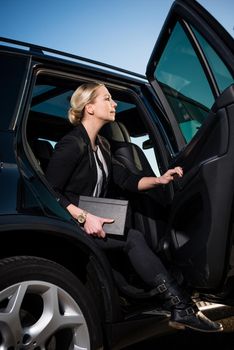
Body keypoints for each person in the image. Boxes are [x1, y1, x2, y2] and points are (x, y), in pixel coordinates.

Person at [46, 82, 223, 333]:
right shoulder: (71, 144)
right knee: (133, 238)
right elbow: (49, 191)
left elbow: (127, 181)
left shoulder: (103, 146)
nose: (114, 103)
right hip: (70, 223)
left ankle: (166, 302)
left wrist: (160, 179)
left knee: (131, 231)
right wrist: (84, 217)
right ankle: (181, 307)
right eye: (107, 98)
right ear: (90, 108)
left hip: (93, 220)